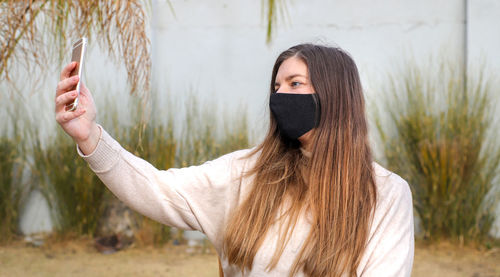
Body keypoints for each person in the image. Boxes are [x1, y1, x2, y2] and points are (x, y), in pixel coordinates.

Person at [55, 43, 414, 276]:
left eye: (294, 84)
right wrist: (89, 136)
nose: (279, 96)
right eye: (276, 88)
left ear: (336, 94)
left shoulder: (385, 194)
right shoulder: (247, 173)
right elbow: (156, 189)